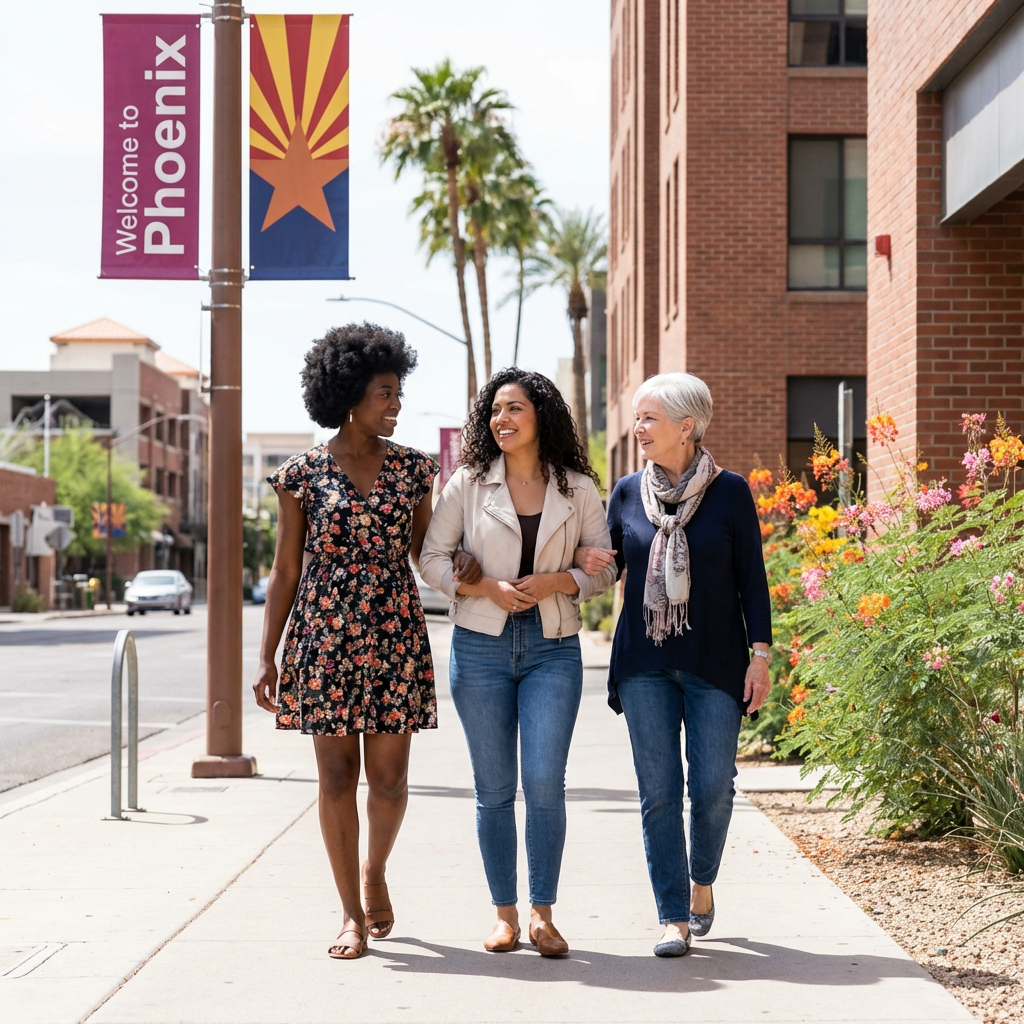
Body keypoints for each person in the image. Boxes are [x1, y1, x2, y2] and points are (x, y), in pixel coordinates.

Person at [252, 322, 479, 960]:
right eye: (386, 393)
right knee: (334, 777)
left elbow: (427, 550)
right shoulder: (301, 475)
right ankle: (350, 912)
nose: (396, 404)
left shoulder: (412, 470)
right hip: (323, 638)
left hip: (393, 635)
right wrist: (267, 656)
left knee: (389, 779)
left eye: (398, 393)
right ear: (350, 394)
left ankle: (375, 868)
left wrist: (459, 564)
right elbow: (285, 570)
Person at [420, 367, 618, 957]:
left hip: (552, 648)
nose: (501, 419)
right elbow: (430, 560)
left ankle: (542, 914)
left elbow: (605, 569)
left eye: (514, 409)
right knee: (494, 789)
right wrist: (484, 589)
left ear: (542, 417)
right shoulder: (468, 483)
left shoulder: (578, 486)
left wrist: (562, 577)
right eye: (495, 411)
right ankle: (504, 915)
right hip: (480, 646)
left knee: (543, 783)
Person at [574, 372, 772, 958]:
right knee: (658, 792)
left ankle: (701, 884)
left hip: (715, 661)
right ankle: (672, 917)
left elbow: (752, 583)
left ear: (686, 427)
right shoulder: (627, 493)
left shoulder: (731, 492)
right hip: (644, 664)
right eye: (637, 417)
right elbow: (608, 564)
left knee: (713, 787)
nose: (637, 428)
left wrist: (760, 655)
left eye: (648, 418)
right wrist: (587, 560)